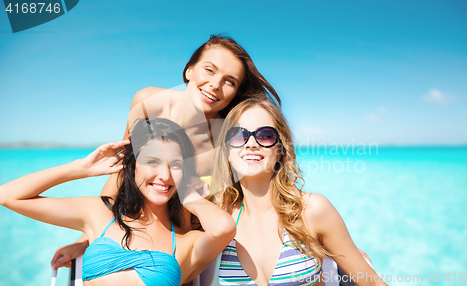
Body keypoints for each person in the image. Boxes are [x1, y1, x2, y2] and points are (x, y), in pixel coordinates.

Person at [51, 34, 281, 269]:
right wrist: (87, 239)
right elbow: (121, 173)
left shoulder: (228, 136)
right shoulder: (150, 102)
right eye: (209, 70)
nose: (215, 84)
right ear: (189, 70)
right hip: (135, 228)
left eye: (229, 81)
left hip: (187, 242)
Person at [0, 118, 236, 285]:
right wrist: (81, 167)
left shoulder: (185, 242)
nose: (164, 175)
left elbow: (224, 228)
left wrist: (189, 193)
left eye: (175, 165)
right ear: (132, 167)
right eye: (152, 162)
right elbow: (8, 195)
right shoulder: (100, 214)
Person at [212, 97, 387, 286]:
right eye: (238, 135)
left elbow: (372, 283)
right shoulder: (219, 219)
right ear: (227, 151)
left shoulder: (311, 210)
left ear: (280, 150)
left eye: (265, 135)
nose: (251, 143)